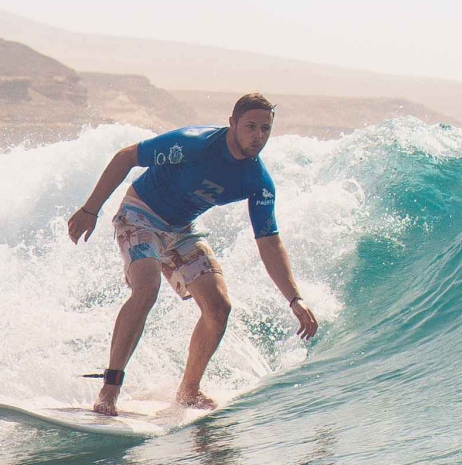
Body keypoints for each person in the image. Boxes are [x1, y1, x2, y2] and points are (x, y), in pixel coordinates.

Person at [67, 92, 318, 416]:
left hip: (181, 229)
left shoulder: (257, 181)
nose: (258, 137)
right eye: (251, 127)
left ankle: (188, 390)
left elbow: (269, 241)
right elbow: (127, 157)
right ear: (232, 124)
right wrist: (90, 209)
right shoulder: (193, 144)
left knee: (218, 307)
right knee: (147, 288)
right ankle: (110, 388)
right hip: (140, 215)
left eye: (265, 129)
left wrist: (294, 299)